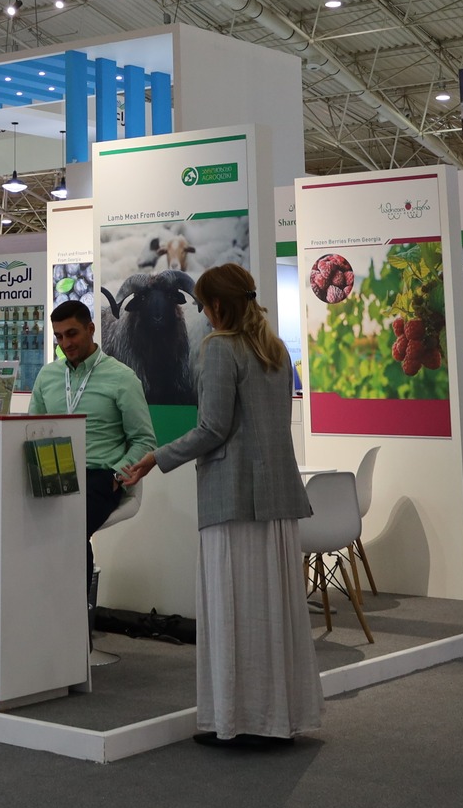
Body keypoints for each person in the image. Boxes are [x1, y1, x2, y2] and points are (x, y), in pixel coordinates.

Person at [120, 264, 322, 747]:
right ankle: (278, 718)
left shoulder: (219, 349)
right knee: (273, 612)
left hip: (232, 497)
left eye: (202, 305)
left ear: (216, 306)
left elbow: (212, 428)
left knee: (233, 611)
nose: (201, 314)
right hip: (276, 498)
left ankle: (239, 720)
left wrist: (156, 458)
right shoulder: (276, 351)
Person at [29, 299, 155, 604]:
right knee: (20, 527)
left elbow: (144, 441)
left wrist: (117, 476)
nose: (65, 344)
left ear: (91, 329)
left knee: (71, 528)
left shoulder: (122, 378)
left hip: (99, 476)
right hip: (52, 473)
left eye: (72, 334)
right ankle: (40, 612)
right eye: (59, 336)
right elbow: (30, 431)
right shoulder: (47, 377)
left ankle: (73, 615)